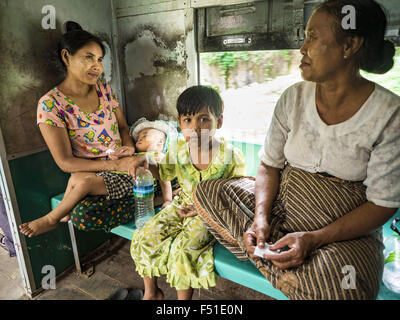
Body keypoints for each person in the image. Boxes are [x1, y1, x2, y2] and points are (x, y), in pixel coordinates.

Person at [193, 0, 400, 300]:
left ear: (350, 45)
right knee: (207, 194)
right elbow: (269, 166)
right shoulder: (293, 98)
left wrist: (314, 239)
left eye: (313, 37)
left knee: (347, 285)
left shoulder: (389, 114)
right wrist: (260, 218)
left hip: (341, 235)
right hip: (282, 210)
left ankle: (278, 260)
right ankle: (292, 267)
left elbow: (382, 205)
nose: (302, 49)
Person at [18, 22, 146, 237]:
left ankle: (158, 197)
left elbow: (124, 127)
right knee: (83, 211)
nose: (97, 66)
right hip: (93, 173)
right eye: (88, 57)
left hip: (122, 166)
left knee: (162, 169)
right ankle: (54, 217)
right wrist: (117, 164)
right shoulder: (51, 105)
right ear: (67, 57)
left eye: (99, 59)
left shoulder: (105, 91)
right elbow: (65, 162)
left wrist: (129, 149)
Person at [129, 85, 246, 300]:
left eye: (204, 119)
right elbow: (164, 172)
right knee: (145, 235)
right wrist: (147, 161)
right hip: (181, 203)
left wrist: (202, 208)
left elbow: (235, 195)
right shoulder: (177, 148)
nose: (195, 127)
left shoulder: (230, 155)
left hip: (211, 212)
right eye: (187, 120)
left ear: (218, 121)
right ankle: (151, 293)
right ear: (180, 121)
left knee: (183, 250)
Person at [20, 116, 176, 237]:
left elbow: (165, 177)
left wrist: (168, 199)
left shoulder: (158, 156)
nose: (139, 138)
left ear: (161, 141)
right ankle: (65, 213)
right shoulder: (135, 153)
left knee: (86, 183)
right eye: (139, 136)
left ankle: (51, 219)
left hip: (127, 182)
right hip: (114, 177)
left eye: (146, 135)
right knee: (76, 177)